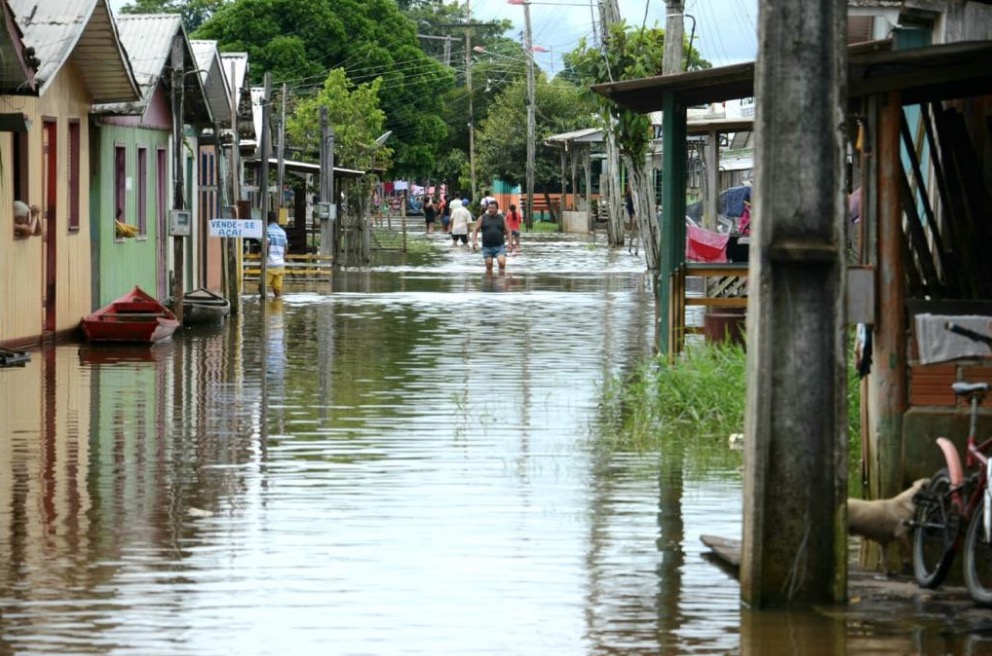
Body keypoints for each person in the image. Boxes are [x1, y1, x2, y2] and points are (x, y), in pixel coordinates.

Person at [472, 200, 510, 273]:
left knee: (502, 263)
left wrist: (510, 244)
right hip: (487, 247)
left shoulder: (502, 218)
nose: (491, 210)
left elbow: (508, 231)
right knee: (489, 265)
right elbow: (475, 230)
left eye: (493, 208)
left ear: (497, 209)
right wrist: (474, 242)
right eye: (489, 208)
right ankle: (489, 282)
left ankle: (501, 280)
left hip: (499, 246)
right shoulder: (482, 218)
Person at [265, 210, 288, 298]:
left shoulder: (267, 231)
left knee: (262, 287)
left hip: (269, 264)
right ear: (276, 220)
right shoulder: (282, 232)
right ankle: (277, 308)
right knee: (277, 290)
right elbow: (286, 249)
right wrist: (281, 258)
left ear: (267, 220)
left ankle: (264, 307)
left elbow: (266, 246)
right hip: (280, 265)